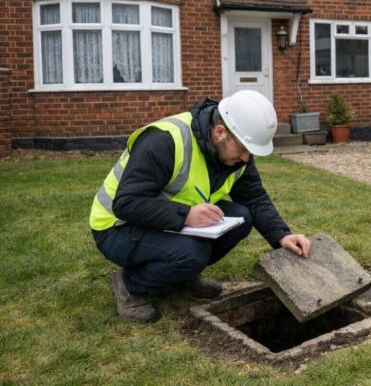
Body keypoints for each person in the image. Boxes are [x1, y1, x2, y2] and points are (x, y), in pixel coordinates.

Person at [89, 90, 311, 323]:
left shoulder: (235, 151)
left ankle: (181, 275)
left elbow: (253, 197)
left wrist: (282, 236)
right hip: (117, 227)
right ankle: (129, 284)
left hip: (164, 219)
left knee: (242, 218)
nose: (247, 158)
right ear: (219, 132)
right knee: (192, 254)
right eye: (244, 149)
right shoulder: (166, 140)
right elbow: (127, 203)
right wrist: (186, 215)